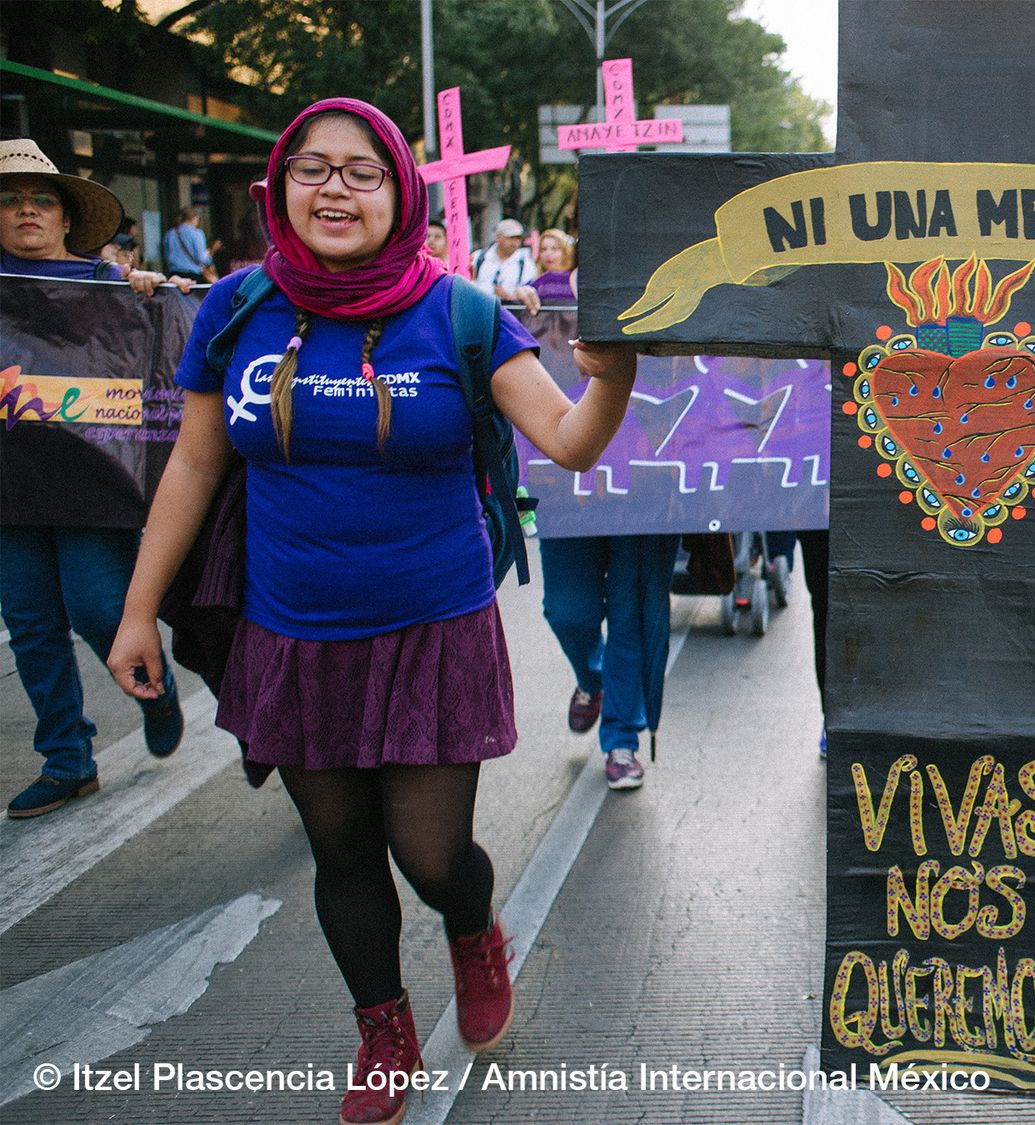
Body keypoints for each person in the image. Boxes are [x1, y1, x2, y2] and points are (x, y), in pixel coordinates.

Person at [102, 98, 638, 1125]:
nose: (334, 188)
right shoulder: (234, 306)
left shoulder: (464, 312)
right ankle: (381, 1028)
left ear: (400, 193)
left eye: (361, 171)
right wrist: (136, 613)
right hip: (293, 634)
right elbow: (195, 464)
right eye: (311, 168)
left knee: (434, 859)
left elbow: (569, 443)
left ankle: (472, 929)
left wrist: (611, 380)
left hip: (434, 629)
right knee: (342, 852)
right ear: (278, 187)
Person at [1, 139, 191, 819]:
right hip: (8, 489)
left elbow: (165, 337)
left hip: (91, 482)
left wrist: (145, 290)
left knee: (98, 607)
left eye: (39, 199)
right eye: (10, 199)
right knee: (29, 622)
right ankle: (67, 758)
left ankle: (156, 685)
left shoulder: (107, 285)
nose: (25, 210)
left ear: (63, 217)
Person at [538, 525, 680, 789]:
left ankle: (621, 739)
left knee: (632, 615)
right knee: (567, 613)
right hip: (568, 502)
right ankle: (591, 681)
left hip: (643, 502)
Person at [472, 217, 535, 303]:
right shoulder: (478, 257)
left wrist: (509, 297)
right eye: (510, 238)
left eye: (518, 238)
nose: (514, 243)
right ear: (498, 237)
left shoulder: (526, 264)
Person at [517, 228, 576, 315]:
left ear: (566, 252)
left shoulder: (576, 279)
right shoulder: (537, 281)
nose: (548, 253)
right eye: (543, 249)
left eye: (554, 249)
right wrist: (520, 292)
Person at [164, 205, 217, 282]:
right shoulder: (197, 233)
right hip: (193, 275)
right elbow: (201, 258)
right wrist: (208, 255)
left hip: (174, 275)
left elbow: (167, 256)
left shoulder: (170, 234)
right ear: (194, 218)